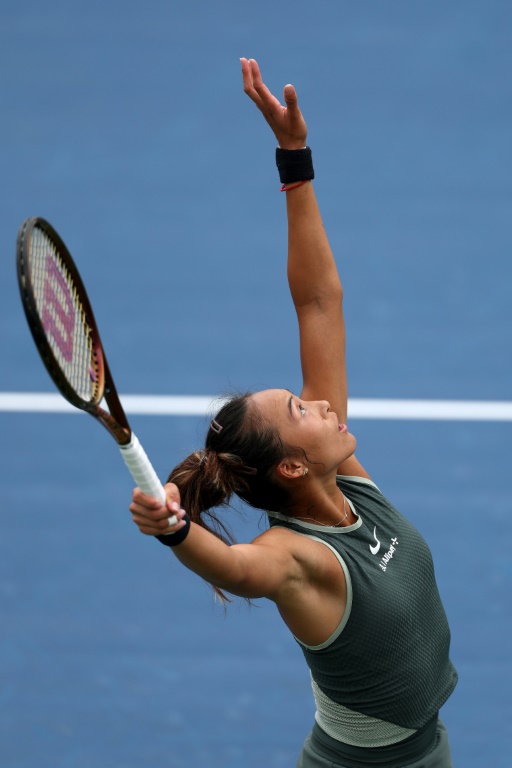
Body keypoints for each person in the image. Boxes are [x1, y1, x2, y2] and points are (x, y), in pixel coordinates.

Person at [129, 58, 457, 768]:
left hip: (429, 750)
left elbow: (318, 304)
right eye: (301, 409)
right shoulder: (299, 559)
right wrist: (175, 531)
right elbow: (236, 568)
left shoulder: (342, 479)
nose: (322, 403)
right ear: (290, 465)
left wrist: (294, 160)